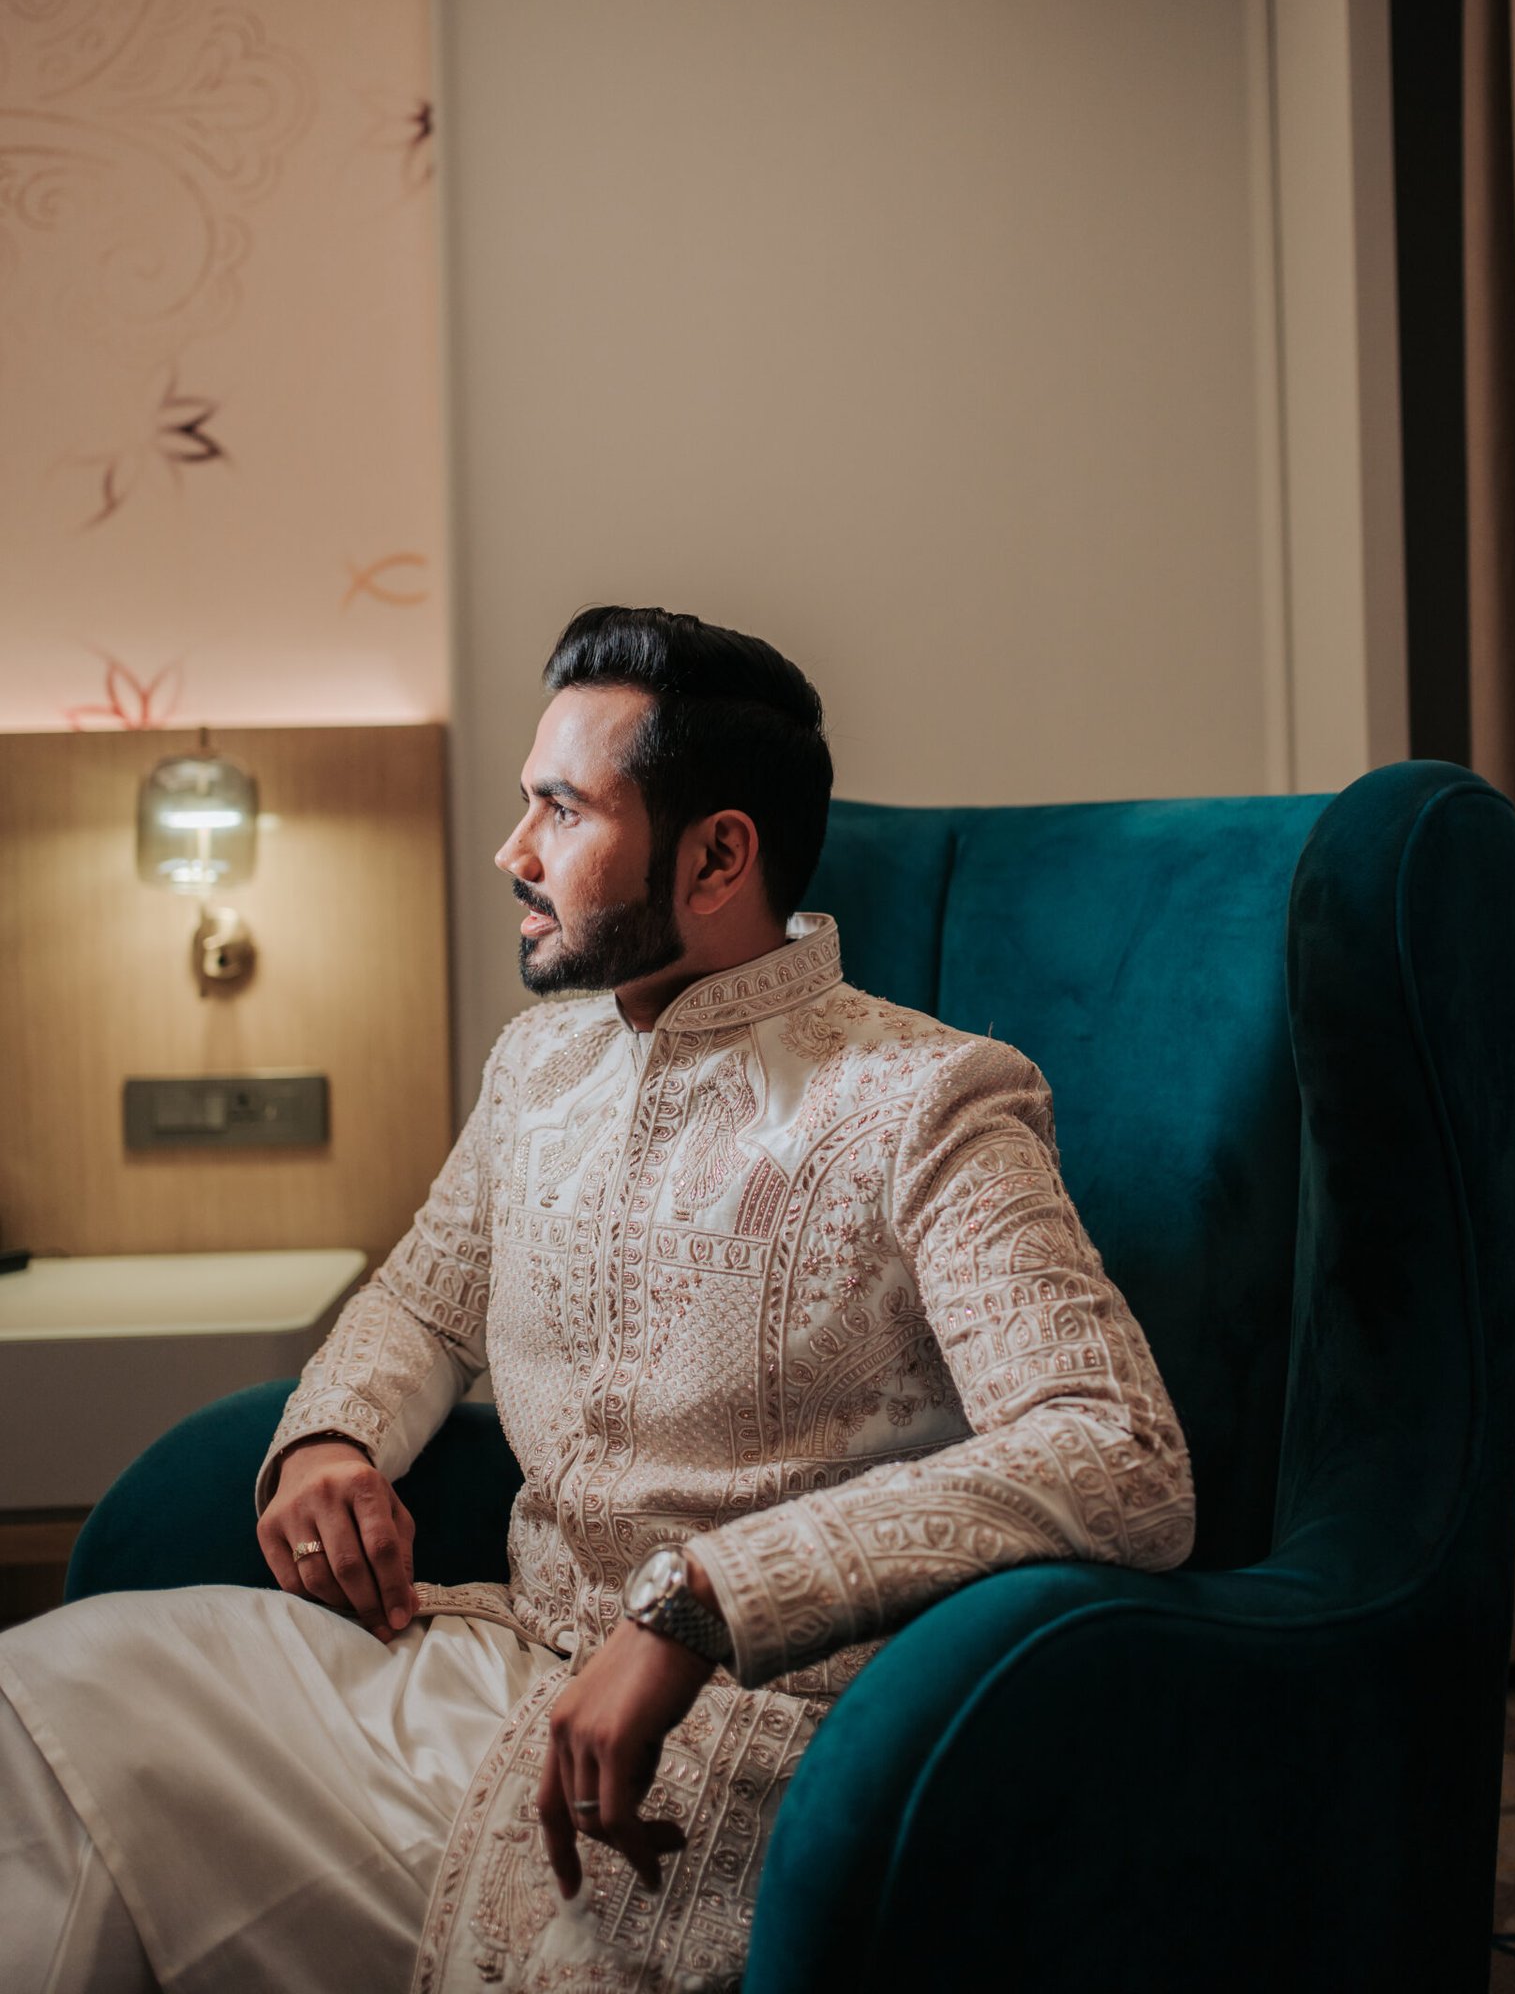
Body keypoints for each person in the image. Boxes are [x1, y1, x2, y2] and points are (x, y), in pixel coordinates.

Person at [0, 605, 1196, 1993]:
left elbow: (1119, 1455)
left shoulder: (925, 1100)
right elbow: (424, 1305)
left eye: (560, 813)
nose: (514, 855)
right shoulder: (539, 1070)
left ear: (717, 856)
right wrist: (336, 1441)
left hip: (719, 1745)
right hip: (473, 1670)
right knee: (51, 1696)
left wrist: (701, 1600)